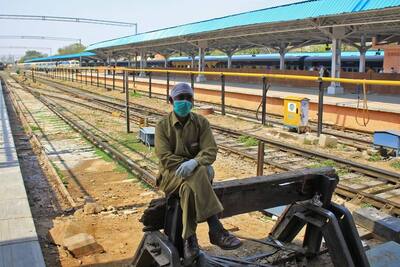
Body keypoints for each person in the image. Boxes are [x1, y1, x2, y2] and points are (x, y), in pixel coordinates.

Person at [155, 83, 242, 264]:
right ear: (171, 101)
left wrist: (194, 162)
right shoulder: (162, 126)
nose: (185, 102)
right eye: (180, 98)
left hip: (195, 176)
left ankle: (190, 240)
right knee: (200, 171)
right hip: (171, 177)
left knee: (189, 188)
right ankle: (215, 228)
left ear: (193, 101)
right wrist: (193, 163)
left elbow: (211, 150)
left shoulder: (201, 122)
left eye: (188, 98)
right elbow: (165, 158)